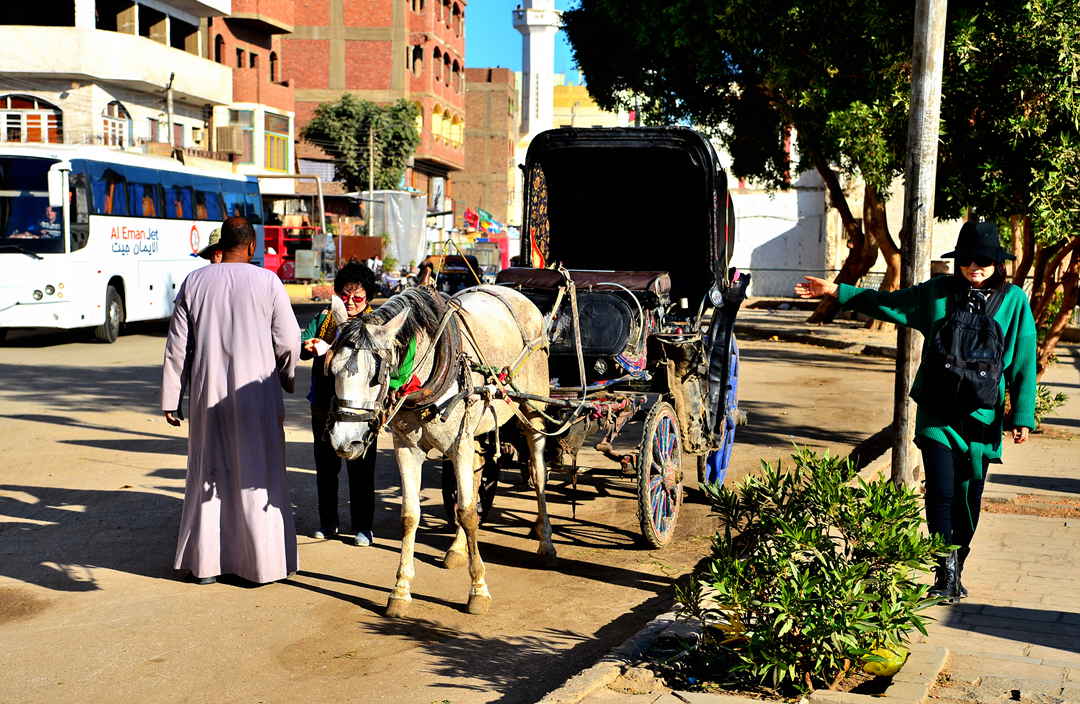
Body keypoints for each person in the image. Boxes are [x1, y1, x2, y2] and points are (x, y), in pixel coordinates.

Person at [795, 221, 1037, 602]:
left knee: (968, 500)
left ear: (997, 262)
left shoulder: (1015, 301)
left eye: (983, 260)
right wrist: (837, 291)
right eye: (967, 259)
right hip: (937, 414)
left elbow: (1023, 360)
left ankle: (957, 563)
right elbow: (890, 304)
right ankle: (945, 573)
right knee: (940, 492)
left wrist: (1022, 416)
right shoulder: (937, 293)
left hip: (982, 419)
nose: (974, 266)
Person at [161, 216, 302, 585]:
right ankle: (261, 567)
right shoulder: (268, 281)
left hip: (206, 396)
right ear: (252, 247)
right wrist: (286, 379)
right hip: (257, 394)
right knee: (259, 473)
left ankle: (206, 566)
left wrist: (171, 398)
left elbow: (177, 348)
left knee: (208, 472)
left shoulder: (194, 281)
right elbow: (289, 342)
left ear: (222, 244)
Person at [300, 258, 379, 546]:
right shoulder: (324, 318)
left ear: (368, 298)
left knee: (361, 471)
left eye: (357, 297)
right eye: (345, 296)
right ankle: (328, 522)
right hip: (324, 407)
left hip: (361, 412)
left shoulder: (375, 324)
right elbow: (303, 347)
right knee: (326, 469)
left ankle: (363, 527)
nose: (350, 302)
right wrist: (308, 346)